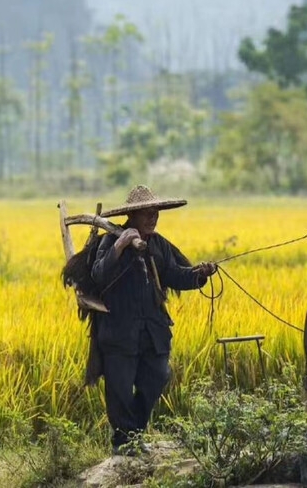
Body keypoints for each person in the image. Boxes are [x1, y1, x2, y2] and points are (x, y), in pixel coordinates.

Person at [88, 184, 217, 455]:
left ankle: (133, 435)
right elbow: (98, 275)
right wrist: (120, 247)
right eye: (147, 213)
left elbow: (177, 275)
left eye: (156, 212)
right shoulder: (110, 241)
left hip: (153, 332)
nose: (153, 217)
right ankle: (124, 444)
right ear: (132, 215)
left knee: (157, 377)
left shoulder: (159, 245)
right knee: (120, 390)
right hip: (120, 332)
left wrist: (201, 274)